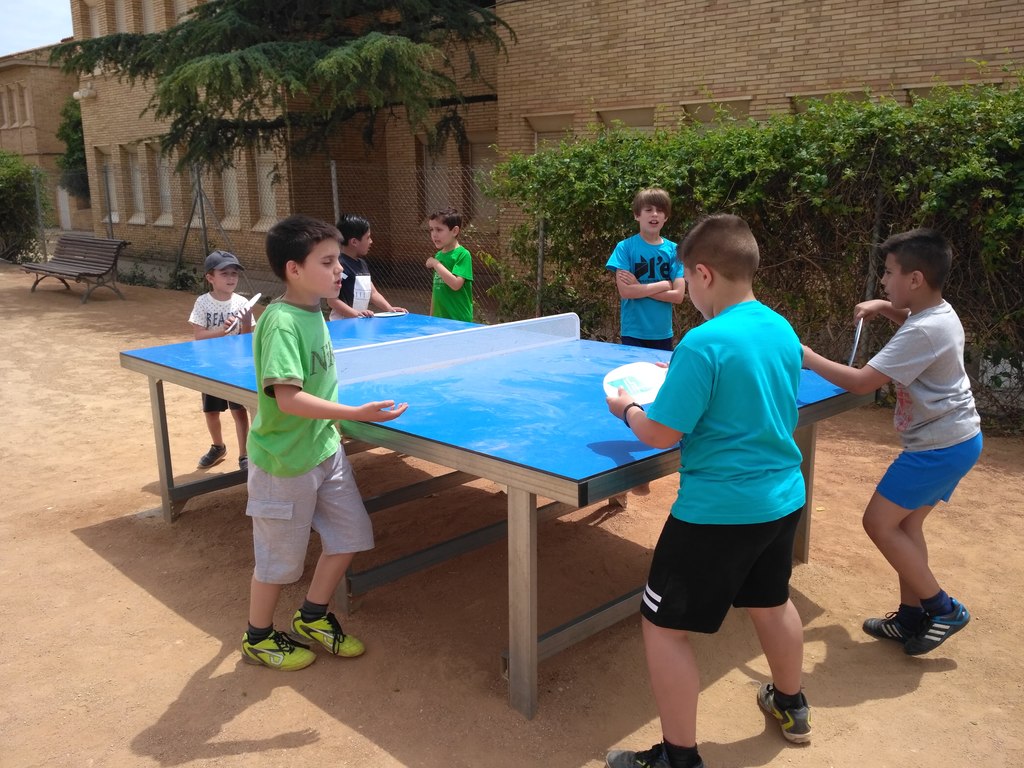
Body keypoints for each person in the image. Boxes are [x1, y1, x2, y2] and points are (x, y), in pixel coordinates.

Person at [605, 214, 811, 768]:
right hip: (781, 499)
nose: (687, 293)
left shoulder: (702, 342)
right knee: (771, 602)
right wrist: (681, 372)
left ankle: (678, 758)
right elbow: (742, 385)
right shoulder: (780, 327)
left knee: (663, 628)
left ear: (703, 274)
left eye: (687, 280)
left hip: (717, 511)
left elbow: (659, 433)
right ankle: (791, 704)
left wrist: (626, 407)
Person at [801, 228, 981, 656]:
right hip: (956, 439)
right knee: (906, 526)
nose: (883, 281)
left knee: (879, 523)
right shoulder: (938, 314)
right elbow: (915, 328)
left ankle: (943, 608)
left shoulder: (922, 331)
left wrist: (804, 354)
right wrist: (885, 308)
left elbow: (862, 382)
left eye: (888, 273)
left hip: (937, 447)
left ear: (914, 279)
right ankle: (910, 617)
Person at [241, 214, 408, 671]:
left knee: (351, 534)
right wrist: (354, 415)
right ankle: (258, 637)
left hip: (324, 450)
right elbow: (288, 398)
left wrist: (337, 425)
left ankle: (312, 616)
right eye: (328, 262)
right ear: (294, 269)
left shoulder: (315, 311)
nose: (340, 271)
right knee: (277, 562)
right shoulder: (281, 322)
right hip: (283, 462)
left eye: (338, 261)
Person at [188, 250, 256, 471]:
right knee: (211, 411)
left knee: (239, 410)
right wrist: (222, 331)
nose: (231, 278)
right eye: (224, 273)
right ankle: (218, 447)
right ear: (210, 277)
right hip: (212, 366)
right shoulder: (202, 303)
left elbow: (247, 337)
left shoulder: (242, 302)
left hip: (235, 366)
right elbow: (199, 336)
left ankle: (244, 454)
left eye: (234, 273)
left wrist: (246, 322)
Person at [606, 187, 687, 351]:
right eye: (648, 210)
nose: (654, 214)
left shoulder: (674, 250)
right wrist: (664, 284)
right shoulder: (624, 248)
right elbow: (626, 292)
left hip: (663, 333)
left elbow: (678, 296)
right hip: (633, 333)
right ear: (637, 215)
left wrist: (638, 286)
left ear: (666, 217)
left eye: (660, 210)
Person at [325, 213, 407, 320]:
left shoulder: (362, 264)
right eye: (368, 237)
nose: (371, 241)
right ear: (354, 242)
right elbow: (332, 300)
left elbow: (373, 293)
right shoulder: (340, 265)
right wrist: (356, 314)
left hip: (359, 321)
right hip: (342, 324)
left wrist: (390, 309)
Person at [425, 207, 473, 322]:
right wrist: (431, 317)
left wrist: (435, 264)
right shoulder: (438, 256)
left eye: (439, 230)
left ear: (455, 231)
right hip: (439, 319)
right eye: (431, 230)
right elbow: (436, 291)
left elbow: (456, 284)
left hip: (458, 320)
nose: (434, 234)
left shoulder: (463, 254)